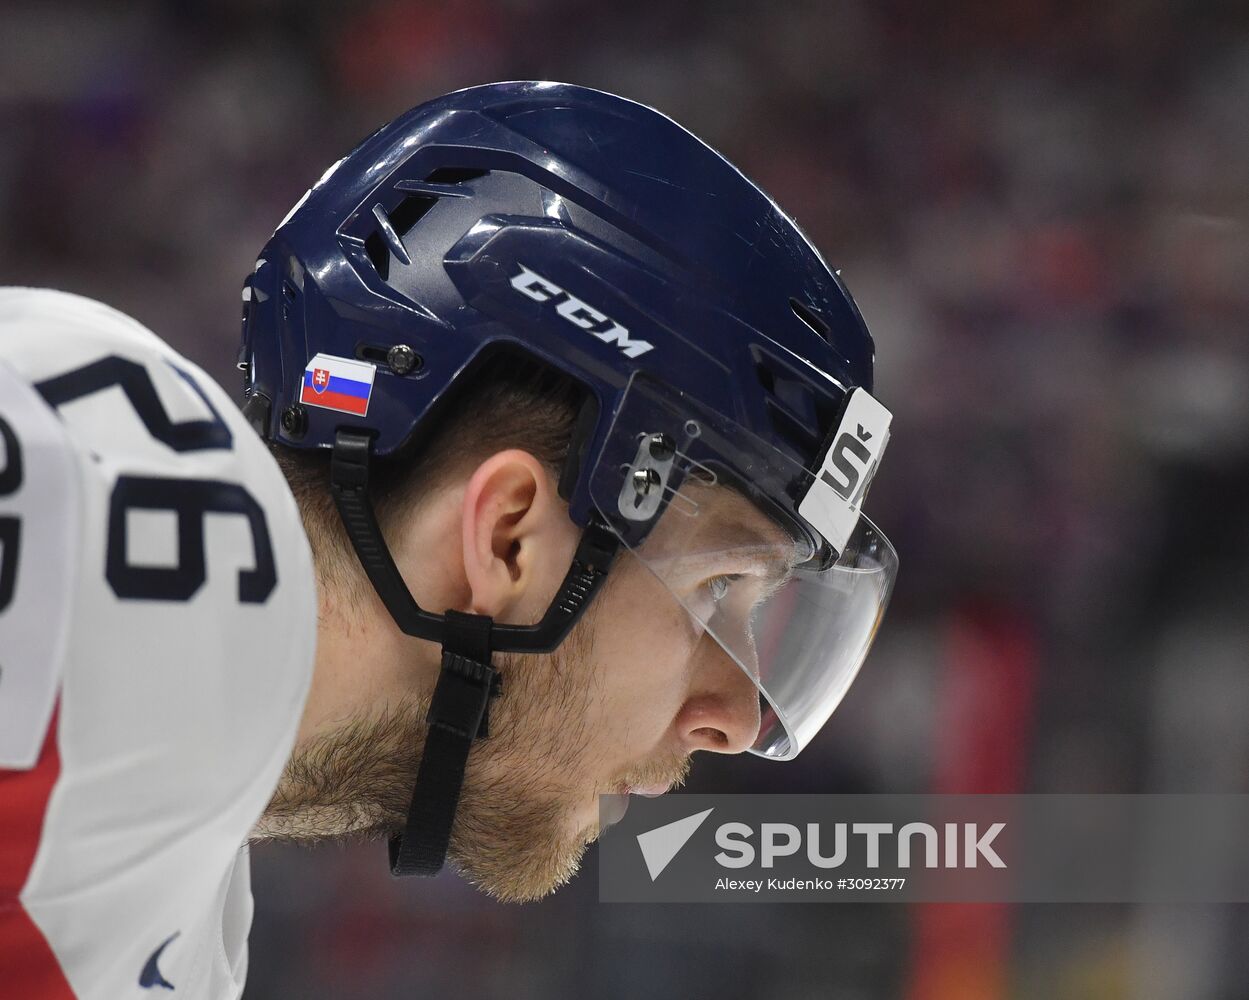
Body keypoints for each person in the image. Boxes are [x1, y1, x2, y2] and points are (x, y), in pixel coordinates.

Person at [0, 82, 896, 999]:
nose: (736, 719)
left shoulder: (190, 928)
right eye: (717, 588)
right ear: (508, 539)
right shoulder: (84, 497)